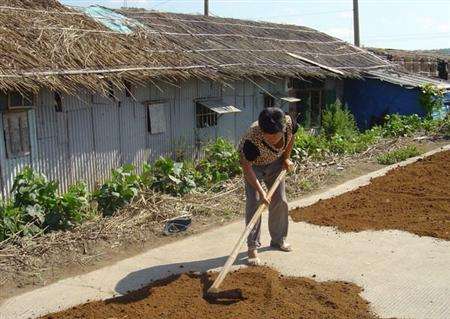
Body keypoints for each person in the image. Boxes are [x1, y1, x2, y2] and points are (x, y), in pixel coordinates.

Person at [238, 107, 297, 266]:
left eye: (274, 134)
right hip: (254, 167)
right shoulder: (251, 139)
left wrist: (286, 158)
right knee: (254, 203)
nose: (270, 137)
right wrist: (261, 192)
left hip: (276, 163)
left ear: (282, 128)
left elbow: (291, 138)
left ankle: (278, 240)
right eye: (267, 134)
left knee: (280, 200)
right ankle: (252, 247)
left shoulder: (289, 124)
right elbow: (247, 168)